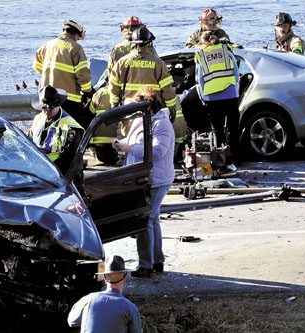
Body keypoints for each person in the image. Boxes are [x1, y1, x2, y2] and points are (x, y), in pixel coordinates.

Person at [112, 86, 175, 278]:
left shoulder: (161, 124)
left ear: (149, 107)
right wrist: (121, 143)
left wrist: (129, 148)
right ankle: (156, 261)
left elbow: (157, 152)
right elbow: (136, 141)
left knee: (144, 220)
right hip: (145, 178)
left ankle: (146, 265)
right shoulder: (143, 120)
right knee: (152, 219)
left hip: (156, 180)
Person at [194, 30, 241, 173]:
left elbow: (199, 80)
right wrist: (235, 92)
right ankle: (235, 159)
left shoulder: (201, 55)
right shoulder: (226, 50)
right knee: (233, 128)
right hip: (230, 95)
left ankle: (221, 161)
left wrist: (203, 97)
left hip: (212, 97)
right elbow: (236, 73)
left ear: (203, 42)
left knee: (218, 130)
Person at [34, 20, 94, 128]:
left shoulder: (47, 45)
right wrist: (88, 91)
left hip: (48, 98)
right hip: (69, 100)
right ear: (75, 34)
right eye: (78, 37)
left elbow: (37, 67)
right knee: (71, 129)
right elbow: (83, 75)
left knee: (50, 128)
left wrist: (52, 74)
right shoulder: (75, 48)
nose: (78, 40)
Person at [108, 26, 177, 113]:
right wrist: (171, 109)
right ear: (149, 43)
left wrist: (114, 106)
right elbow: (167, 91)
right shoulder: (159, 64)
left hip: (128, 110)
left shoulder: (121, 63)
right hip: (153, 110)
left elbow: (113, 88)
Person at [67, 255, 141, 333]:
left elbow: (72, 322)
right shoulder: (130, 308)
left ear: (105, 279)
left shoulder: (89, 299)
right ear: (125, 279)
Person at [28, 85, 84, 172]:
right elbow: (29, 144)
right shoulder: (38, 119)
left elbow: (70, 160)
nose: (46, 112)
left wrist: (48, 171)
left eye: (50, 108)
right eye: (44, 108)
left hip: (61, 173)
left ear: (58, 105)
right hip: (39, 170)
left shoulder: (70, 127)